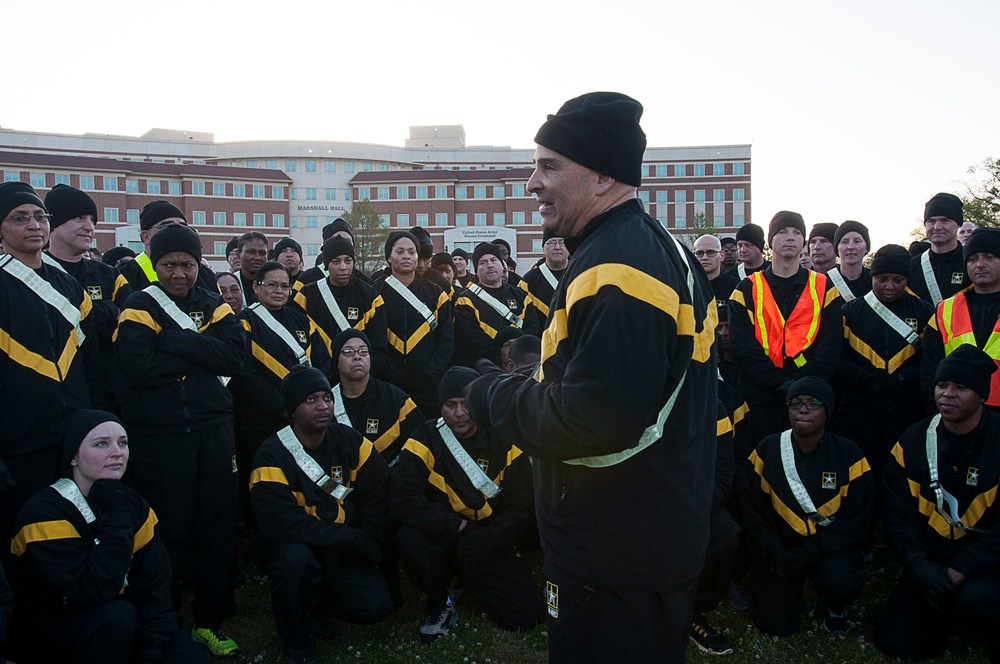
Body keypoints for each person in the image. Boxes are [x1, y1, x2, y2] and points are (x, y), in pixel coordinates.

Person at [465, 92, 717, 662]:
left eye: (550, 165)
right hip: (643, 532)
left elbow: (595, 421)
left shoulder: (618, 267)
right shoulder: (644, 246)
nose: (532, 182)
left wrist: (490, 395)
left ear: (604, 176)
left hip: (613, 547)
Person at [114, 223, 243, 656]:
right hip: (160, 436)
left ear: (198, 264)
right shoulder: (138, 304)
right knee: (166, 532)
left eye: (188, 265)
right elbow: (136, 367)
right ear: (156, 264)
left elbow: (234, 357)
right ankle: (163, 620)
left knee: (216, 527)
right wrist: (199, 351)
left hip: (213, 430)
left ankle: (211, 619)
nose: (179, 274)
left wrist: (170, 341)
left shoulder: (216, 305)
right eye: (169, 264)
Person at [7, 410, 207, 664]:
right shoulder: (45, 512)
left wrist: (153, 648)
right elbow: (93, 589)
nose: (117, 452)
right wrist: (117, 515)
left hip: (121, 624)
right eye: (101, 443)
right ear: (73, 457)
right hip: (50, 629)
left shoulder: (136, 506)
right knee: (116, 618)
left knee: (187, 657)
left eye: (122, 443)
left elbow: (154, 588)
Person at [250, 365, 393, 664]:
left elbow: (380, 486)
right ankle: (298, 643)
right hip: (293, 543)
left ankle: (317, 602)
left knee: (375, 607)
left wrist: (371, 534)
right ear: (291, 410)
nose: (323, 406)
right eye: (310, 399)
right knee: (294, 562)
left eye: (327, 398)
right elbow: (284, 524)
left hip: (339, 542)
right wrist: (354, 539)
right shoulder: (271, 455)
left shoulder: (348, 439)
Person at [389, 367, 543, 643]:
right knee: (410, 538)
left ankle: (464, 578)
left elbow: (521, 504)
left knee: (526, 616)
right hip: (443, 534)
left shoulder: (504, 437)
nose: (459, 413)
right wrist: (452, 525)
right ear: (440, 407)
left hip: (486, 538)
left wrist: (494, 536)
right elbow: (402, 498)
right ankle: (439, 601)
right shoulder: (423, 438)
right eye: (450, 405)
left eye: (466, 403)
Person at [875, 345, 1000, 660]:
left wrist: (961, 568)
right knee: (898, 642)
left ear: (982, 395)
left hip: (986, 563)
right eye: (942, 385)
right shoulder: (913, 440)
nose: (947, 394)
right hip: (930, 557)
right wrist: (917, 563)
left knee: (978, 600)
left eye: (961, 387)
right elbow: (897, 513)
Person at [0, 182, 95, 553]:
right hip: (18, 438)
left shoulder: (66, 284)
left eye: (40, 216)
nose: (34, 225)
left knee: (70, 525)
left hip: (70, 431)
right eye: (20, 218)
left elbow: (90, 361)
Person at [741, 377, 874, 637]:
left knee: (840, 581)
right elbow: (751, 510)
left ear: (828, 411)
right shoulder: (766, 450)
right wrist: (773, 548)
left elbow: (857, 518)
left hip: (828, 549)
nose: (803, 409)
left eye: (813, 403)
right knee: (778, 626)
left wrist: (815, 548)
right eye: (795, 403)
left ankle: (832, 603)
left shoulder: (849, 455)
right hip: (781, 550)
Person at [729, 211, 843, 443]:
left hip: (810, 399)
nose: (790, 237)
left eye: (797, 233)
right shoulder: (745, 290)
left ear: (804, 243)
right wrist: (779, 383)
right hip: (760, 397)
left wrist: (801, 384)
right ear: (770, 242)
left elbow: (830, 346)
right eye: (782, 232)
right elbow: (743, 348)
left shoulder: (824, 288)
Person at [232, 261, 330, 528]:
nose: (279, 291)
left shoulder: (301, 319)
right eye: (271, 285)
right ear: (255, 287)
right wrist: (282, 406)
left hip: (304, 418)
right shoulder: (244, 322)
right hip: (263, 418)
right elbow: (244, 373)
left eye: (284, 286)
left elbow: (322, 361)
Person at [837, 245, 934, 490]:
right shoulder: (850, 311)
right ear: (872, 278)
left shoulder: (923, 311)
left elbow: (930, 360)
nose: (889, 286)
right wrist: (865, 377)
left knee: (902, 469)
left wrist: (902, 379)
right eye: (882, 279)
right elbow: (838, 358)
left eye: (897, 280)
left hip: (905, 407)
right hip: (860, 408)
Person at [44, 184, 133, 414]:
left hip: (111, 393)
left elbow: (130, 324)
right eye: (79, 218)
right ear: (54, 223)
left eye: (92, 220)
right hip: (57, 396)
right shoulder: (35, 273)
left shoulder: (108, 274)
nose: (89, 227)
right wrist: (106, 311)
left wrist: (91, 315)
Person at [921, 228, 1000, 411]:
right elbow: (929, 371)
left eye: (989, 256)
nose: (979, 264)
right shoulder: (945, 309)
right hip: (957, 417)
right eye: (972, 259)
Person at [376, 231, 454, 417]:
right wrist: (393, 374)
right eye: (400, 251)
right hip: (388, 384)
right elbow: (373, 340)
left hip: (428, 386)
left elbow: (446, 340)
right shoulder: (375, 293)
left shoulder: (436, 293)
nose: (406, 256)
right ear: (389, 256)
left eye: (411, 252)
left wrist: (428, 374)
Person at [294, 235, 387, 374]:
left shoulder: (370, 296)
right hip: (318, 377)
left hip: (360, 377)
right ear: (326, 265)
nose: (343, 267)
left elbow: (378, 346)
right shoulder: (306, 295)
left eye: (348, 261)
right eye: (336, 261)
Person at [689, 398, 739, 655]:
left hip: (696, 502)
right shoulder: (640, 395)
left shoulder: (714, 408)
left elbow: (723, 474)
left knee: (724, 536)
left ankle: (693, 611)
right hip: (648, 502)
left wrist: (695, 512)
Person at [454, 242, 537, 367]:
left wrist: (517, 352)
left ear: (502, 266)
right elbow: (472, 338)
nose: (490, 265)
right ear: (476, 270)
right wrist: (502, 354)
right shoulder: (465, 300)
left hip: (522, 366)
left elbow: (532, 327)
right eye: (483, 262)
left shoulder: (521, 296)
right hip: (485, 368)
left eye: (494, 260)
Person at [118, 200, 217, 293]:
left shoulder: (204, 274)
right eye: (166, 226)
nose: (177, 231)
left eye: (183, 226)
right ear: (146, 237)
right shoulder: (124, 276)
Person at [909, 192, 971, 306]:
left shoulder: (971, 263)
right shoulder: (912, 266)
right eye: (931, 221)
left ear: (958, 224)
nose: (937, 227)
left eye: (945, 221)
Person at [521, 231, 570, 332]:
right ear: (543, 248)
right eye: (552, 242)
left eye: (562, 242)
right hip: (541, 342)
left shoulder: (580, 273)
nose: (557, 247)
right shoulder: (528, 281)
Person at [695, 233, 739, 322]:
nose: (705, 257)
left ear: (722, 256)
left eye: (711, 252)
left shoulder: (736, 287)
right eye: (699, 253)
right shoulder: (686, 287)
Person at [826, 220, 871, 301]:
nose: (850, 247)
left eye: (857, 241)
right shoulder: (825, 282)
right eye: (844, 242)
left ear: (866, 247)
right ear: (837, 249)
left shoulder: (875, 282)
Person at [235, 231, 269, 307]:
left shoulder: (275, 284)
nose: (257, 258)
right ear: (238, 254)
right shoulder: (230, 282)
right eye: (251, 252)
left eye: (262, 253)